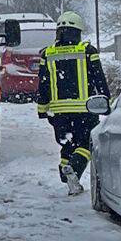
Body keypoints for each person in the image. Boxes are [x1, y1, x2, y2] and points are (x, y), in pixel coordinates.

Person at [37, 10, 109, 196]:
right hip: (85, 110)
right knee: (85, 145)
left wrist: (42, 109)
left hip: (59, 113)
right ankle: (74, 168)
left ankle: (67, 173)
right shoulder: (87, 51)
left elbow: (43, 84)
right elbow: (98, 79)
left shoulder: (48, 54)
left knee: (68, 144)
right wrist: (104, 100)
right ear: (77, 32)